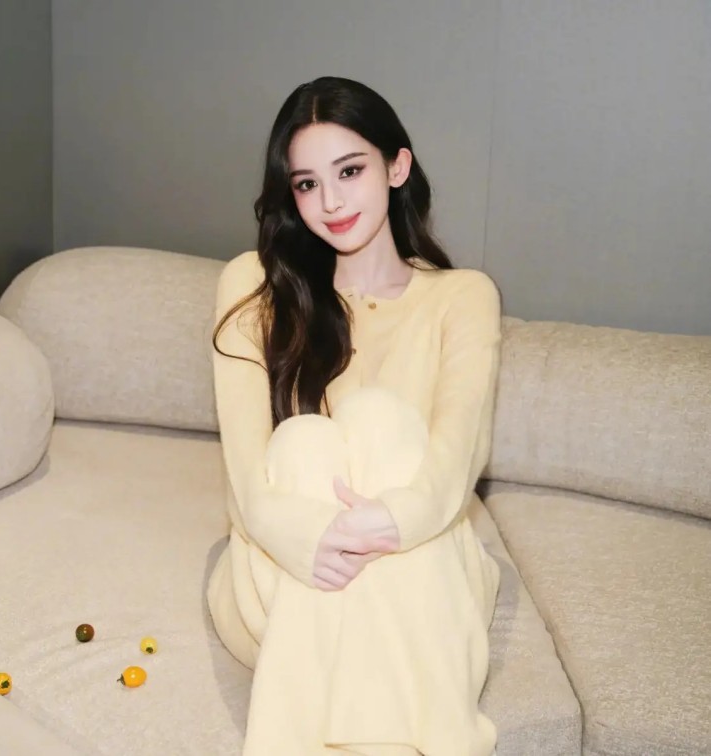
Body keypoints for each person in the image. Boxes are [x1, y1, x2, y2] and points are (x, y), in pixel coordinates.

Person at [205, 76, 503, 756]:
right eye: (307, 184)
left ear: (396, 167)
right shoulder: (253, 286)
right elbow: (250, 481)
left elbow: (453, 461)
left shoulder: (462, 297)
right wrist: (311, 536)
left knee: (379, 422)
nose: (331, 202)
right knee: (304, 443)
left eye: (349, 171)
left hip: (421, 551)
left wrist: (391, 521)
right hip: (285, 561)